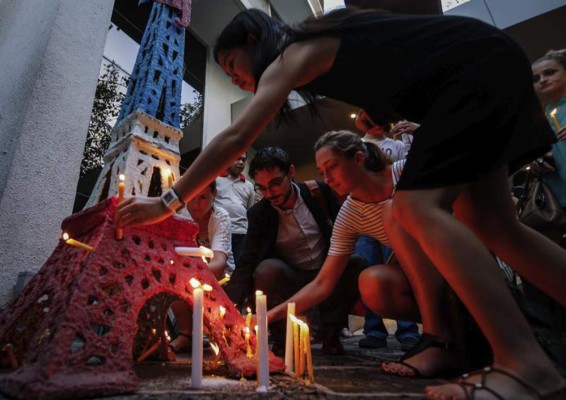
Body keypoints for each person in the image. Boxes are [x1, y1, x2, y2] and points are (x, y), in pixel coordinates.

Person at [116, 8, 566, 398]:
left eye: (233, 64)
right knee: (492, 224)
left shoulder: (293, 51)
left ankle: (522, 362)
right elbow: (401, 51)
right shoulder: (325, 43)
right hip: (487, 59)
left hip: (470, 73)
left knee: (412, 207)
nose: (234, 77)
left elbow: (236, 138)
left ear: (254, 40)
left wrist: (168, 201)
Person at [223, 146, 367, 356]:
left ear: (291, 172)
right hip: (291, 275)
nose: (270, 193)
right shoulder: (259, 214)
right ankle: (281, 339)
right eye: (262, 188)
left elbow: (344, 228)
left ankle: (331, 333)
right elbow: (247, 262)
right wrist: (227, 306)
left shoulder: (319, 192)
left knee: (356, 263)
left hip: (327, 270)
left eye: (275, 183)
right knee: (267, 269)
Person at [354, 110, 420, 350]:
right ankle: (374, 330)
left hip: (393, 214)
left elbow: (413, 163)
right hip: (365, 217)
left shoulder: (396, 144)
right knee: (367, 271)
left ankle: (408, 329)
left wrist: (411, 135)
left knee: (399, 271)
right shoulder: (357, 144)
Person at [169, 181, 235, 352]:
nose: (196, 204)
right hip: (186, 271)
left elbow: (219, 261)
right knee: (173, 279)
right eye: (192, 198)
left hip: (220, 277)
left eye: (204, 197)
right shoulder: (180, 216)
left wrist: (193, 277)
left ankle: (219, 334)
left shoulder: (220, 217)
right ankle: (186, 334)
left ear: (215, 194)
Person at [532, 50, 566, 212]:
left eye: (550, 72)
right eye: (536, 79)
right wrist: (536, 160)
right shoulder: (539, 122)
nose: (543, 80)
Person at [215, 153, 255, 263]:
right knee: (219, 265)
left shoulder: (249, 185)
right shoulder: (215, 180)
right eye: (237, 158)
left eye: (243, 160)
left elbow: (250, 210)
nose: (241, 162)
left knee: (239, 266)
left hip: (241, 233)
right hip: (220, 231)